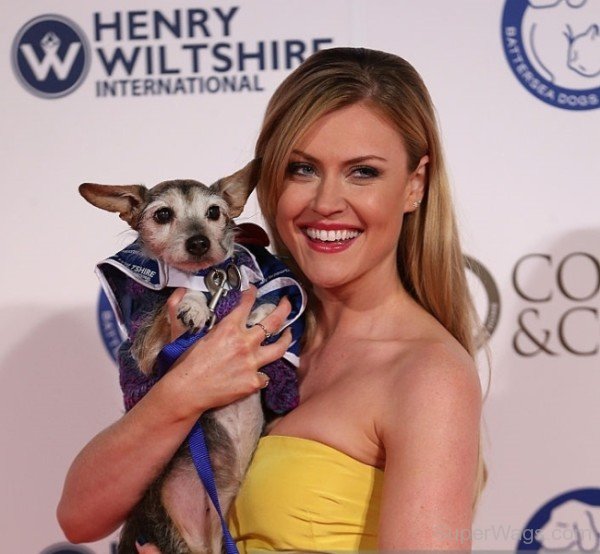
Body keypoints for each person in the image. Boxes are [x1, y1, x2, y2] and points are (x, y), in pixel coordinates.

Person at [57, 47, 487, 552]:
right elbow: (80, 517)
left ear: (414, 185)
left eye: (363, 172)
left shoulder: (428, 376)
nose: (326, 202)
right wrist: (184, 390)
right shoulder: (248, 320)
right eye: (302, 170)